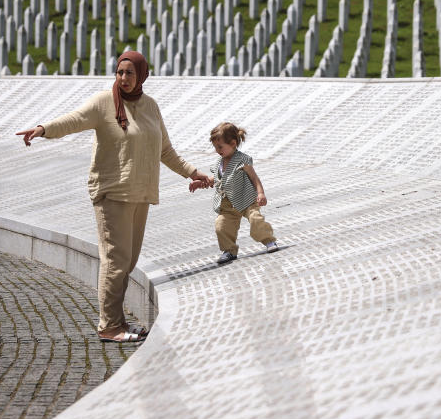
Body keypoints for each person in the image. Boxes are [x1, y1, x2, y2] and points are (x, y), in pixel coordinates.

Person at [16, 51, 213, 343]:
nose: (123, 78)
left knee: (128, 260)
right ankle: (109, 326)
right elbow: (75, 120)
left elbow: (165, 150)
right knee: (115, 259)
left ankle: (119, 321)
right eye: (120, 72)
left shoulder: (150, 106)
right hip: (112, 193)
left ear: (142, 75)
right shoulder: (103, 103)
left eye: (129, 73)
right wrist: (43, 129)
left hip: (140, 193)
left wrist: (192, 173)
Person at [190, 122, 278, 265]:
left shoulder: (242, 160)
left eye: (220, 147)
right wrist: (202, 183)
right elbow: (217, 179)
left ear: (232, 143)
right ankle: (229, 250)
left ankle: (269, 241)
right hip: (228, 203)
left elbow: (254, 178)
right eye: (215, 147)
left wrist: (260, 193)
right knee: (221, 225)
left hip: (246, 199)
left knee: (256, 220)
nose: (217, 150)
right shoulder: (219, 162)